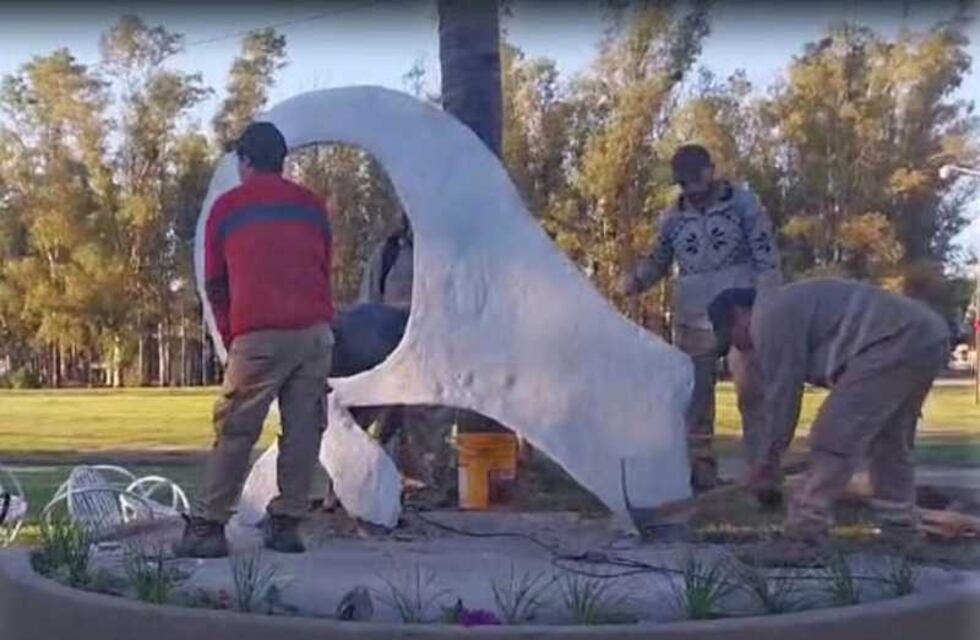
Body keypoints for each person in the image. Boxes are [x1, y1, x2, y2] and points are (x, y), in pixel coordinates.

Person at [176, 122, 335, 557]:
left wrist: (233, 337)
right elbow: (324, 266)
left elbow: (215, 283)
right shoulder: (312, 206)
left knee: (235, 431)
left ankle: (209, 527)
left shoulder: (227, 209)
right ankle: (286, 524)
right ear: (280, 161)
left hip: (259, 335)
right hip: (315, 335)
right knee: (304, 429)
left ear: (245, 161)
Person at [708, 279, 950, 550]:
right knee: (890, 440)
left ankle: (804, 534)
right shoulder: (787, 304)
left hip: (892, 340)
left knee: (834, 436)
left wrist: (768, 459)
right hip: (925, 334)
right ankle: (901, 530)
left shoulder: (767, 317)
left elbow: (783, 397)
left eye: (733, 339)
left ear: (739, 314)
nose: (741, 349)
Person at [619, 144, 781, 491]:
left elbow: (767, 258)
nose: (692, 188)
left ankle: (762, 472)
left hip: (742, 310)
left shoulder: (744, 205)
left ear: (711, 169)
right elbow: (659, 261)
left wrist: (767, 306)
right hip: (693, 312)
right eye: (684, 182)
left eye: (697, 178)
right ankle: (699, 472)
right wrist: (635, 281)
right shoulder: (673, 217)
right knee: (695, 399)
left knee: (753, 393)